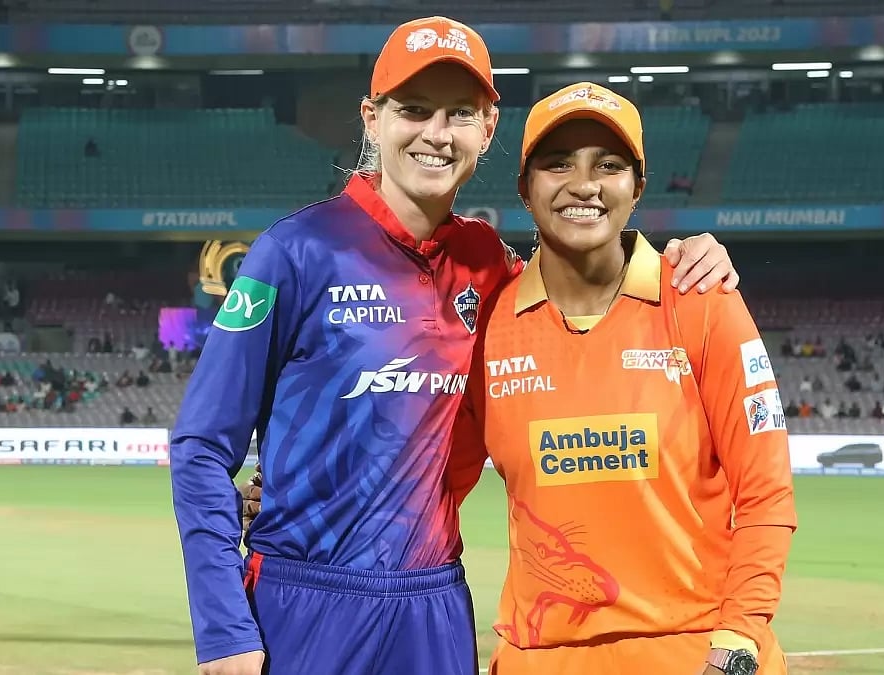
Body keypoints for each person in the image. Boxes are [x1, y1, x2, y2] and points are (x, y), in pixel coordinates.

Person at [172, 17, 743, 675]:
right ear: (372, 118)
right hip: (304, 599)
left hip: (433, 603)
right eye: (414, 110)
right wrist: (222, 626)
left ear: (488, 128)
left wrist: (682, 260)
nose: (437, 134)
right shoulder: (294, 252)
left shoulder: (491, 265)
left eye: (460, 114)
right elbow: (200, 444)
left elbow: (596, 292)